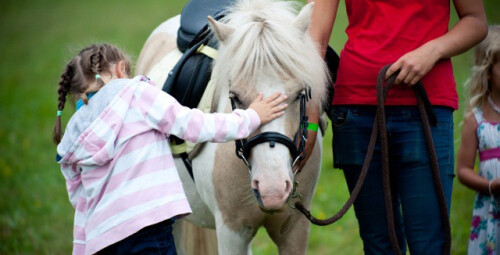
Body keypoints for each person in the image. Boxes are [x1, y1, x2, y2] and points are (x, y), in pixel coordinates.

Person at [53, 43, 288, 255]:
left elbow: (77, 194)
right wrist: (250, 117)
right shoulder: (137, 94)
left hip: (101, 238)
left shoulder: (75, 132)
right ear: (121, 69)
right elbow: (193, 125)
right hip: (148, 227)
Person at [306, 0, 487, 254]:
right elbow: (315, 39)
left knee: (429, 246)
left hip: (425, 107)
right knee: (378, 246)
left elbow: (476, 22)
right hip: (356, 115)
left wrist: (431, 51)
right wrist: (311, 119)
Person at [457, 25, 500, 254]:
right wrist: (491, 186)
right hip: (491, 209)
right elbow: (463, 169)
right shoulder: (477, 119)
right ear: (488, 70)